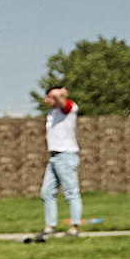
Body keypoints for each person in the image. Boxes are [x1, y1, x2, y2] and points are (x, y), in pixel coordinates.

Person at [36, 86, 81, 241]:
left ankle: (74, 226)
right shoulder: (53, 113)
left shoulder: (68, 108)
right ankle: (50, 226)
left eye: (49, 97)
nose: (45, 100)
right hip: (54, 157)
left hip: (66, 156)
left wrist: (59, 94)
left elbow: (64, 104)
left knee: (71, 192)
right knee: (47, 191)